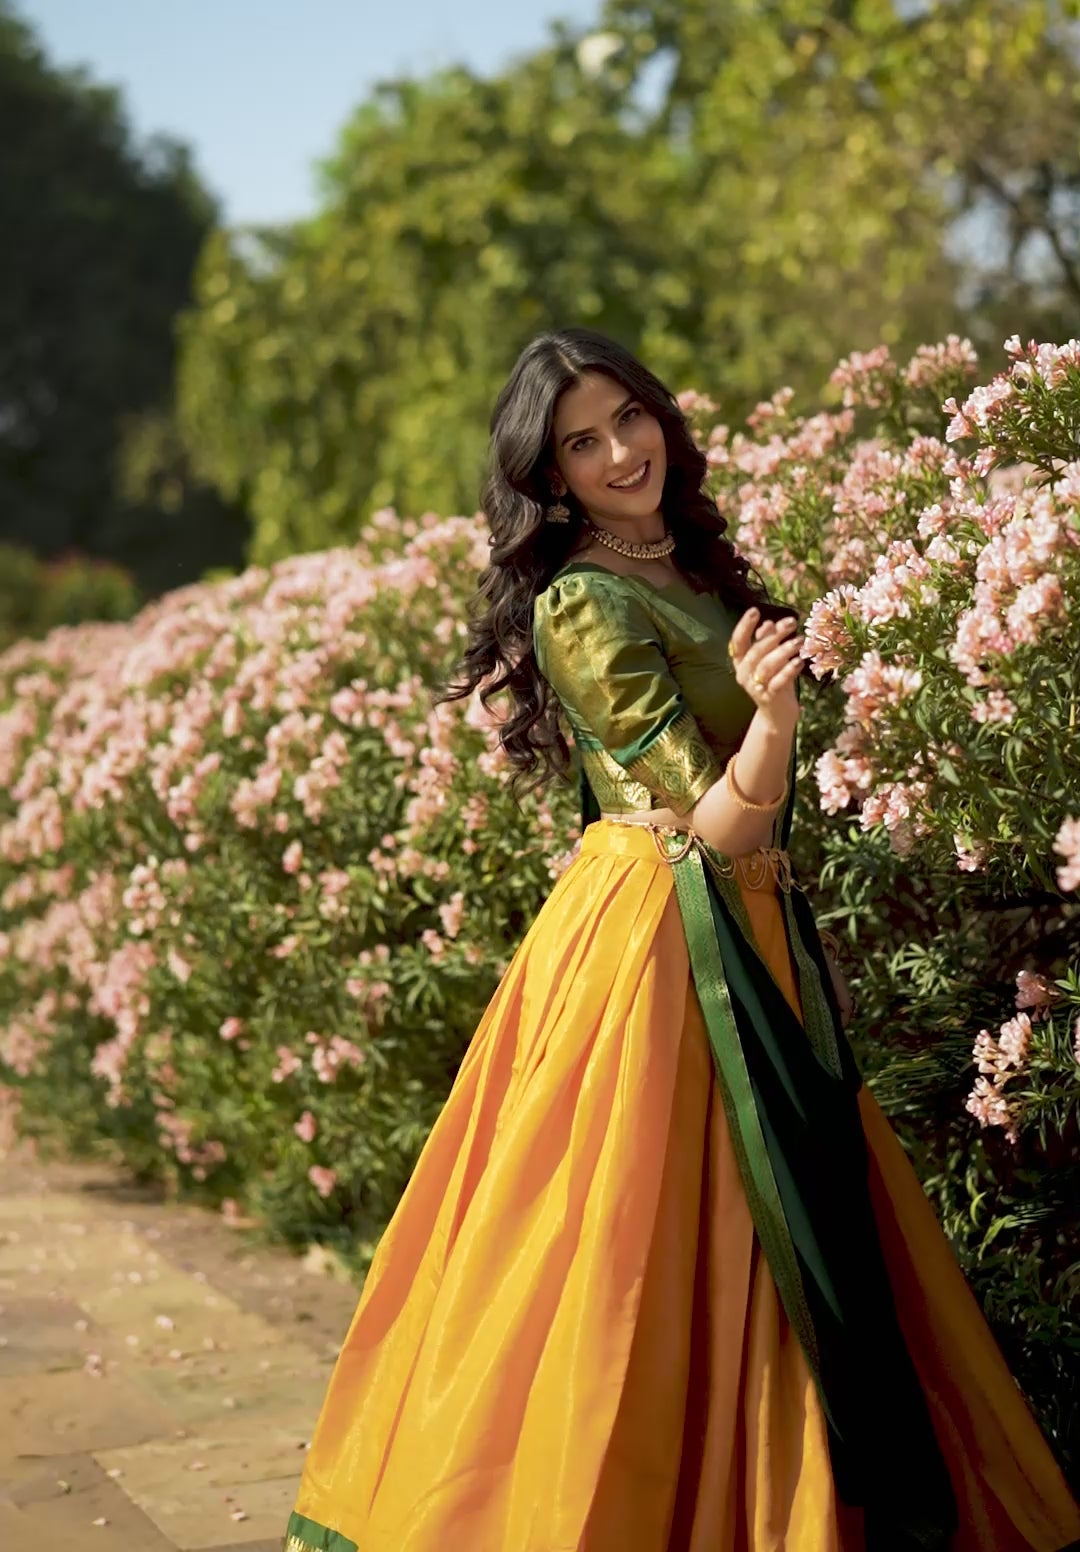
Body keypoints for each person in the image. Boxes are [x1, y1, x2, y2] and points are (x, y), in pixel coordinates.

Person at [283, 329, 1080, 1552]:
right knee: (634, 1236)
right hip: (661, 940)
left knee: (777, 1223)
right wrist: (774, 721)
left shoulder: (700, 569)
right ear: (550, 477)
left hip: (753, 917)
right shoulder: (583, 604)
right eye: (582, 443)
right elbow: (712, 819)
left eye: (628, 418)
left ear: (660, 415)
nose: (619, 453)